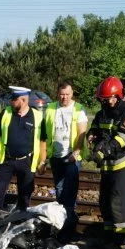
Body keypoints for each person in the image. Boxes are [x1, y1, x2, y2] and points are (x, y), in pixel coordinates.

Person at [86, 76, 125, 235]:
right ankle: (109, 236)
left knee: (117, 202)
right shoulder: (102, 111)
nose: (105, 102)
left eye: (107, 99)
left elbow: (123, 137)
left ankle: (121, 240)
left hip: (121, 163)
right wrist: (92, 134)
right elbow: (96, 126)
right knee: (105, 202)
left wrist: (104, 150)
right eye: (102, 99)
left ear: (117, 96)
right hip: (107, 164)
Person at [40, 81, 88, 238]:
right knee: (60, 189)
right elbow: (44, 134)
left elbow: (82, 133)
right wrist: (43, 158)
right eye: (62, 94)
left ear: (72, 94)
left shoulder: (78, 109)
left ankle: (70, 225)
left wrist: (76, 152)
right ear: (57, 94)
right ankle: (61, 222)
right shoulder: (51, 108)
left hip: (72, 156)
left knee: (70, 190)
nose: (64, 97)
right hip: (56, 155)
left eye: (67, 94)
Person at [0, 87, 47, 211]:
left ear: (24, 100)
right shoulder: (6, 113)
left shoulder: (37, 116)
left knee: (25, 193)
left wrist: (42, 162)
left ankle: (20, 218)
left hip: (27, 161)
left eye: (14, 99)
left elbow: (42, 141)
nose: (11, 101)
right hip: (6, 159)